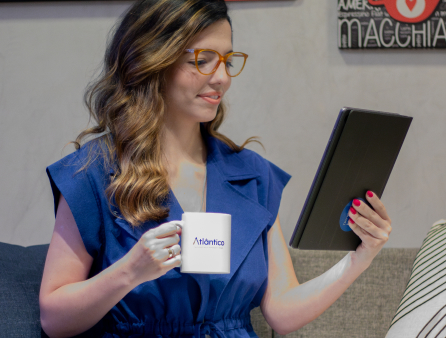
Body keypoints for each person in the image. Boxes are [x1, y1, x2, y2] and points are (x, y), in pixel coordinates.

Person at [39, 0, 392, 337]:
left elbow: (282, 312)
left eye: (226, 60)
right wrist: (130, 272)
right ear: (153, 61)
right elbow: (54, 318)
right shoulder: (92, 173)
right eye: (203, 60)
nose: (222, 77)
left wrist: (360, 258)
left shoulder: (253, 176)